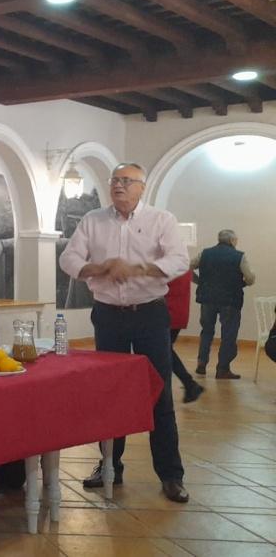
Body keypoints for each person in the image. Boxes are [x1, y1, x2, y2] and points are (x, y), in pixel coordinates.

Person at [59, 162, 190, 503]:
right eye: (114, 180)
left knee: (158, 392)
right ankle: (109, 467)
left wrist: (141, 268)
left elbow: (179, 260)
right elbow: (68, 259)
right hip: (108, 316)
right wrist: (98, 268)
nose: (118, 186)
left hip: (149, 313)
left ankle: (171, 475)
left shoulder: (161, 220)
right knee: (110, 393)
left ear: (141, 188)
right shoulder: (93, 220)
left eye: (126, 181)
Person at [191, 229, 256, 379]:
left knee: (206, 331)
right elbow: (250, 278)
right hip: (230, 300)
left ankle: (201, 364)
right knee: (229, 334)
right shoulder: (239, 256)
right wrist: (243, 284)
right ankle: (223, 369)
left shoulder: (205, 253)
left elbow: (187, 267)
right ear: (233, 241)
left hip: (207, 299)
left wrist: (199, 281)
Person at [165, 270, 204, 403]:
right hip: (178, 312)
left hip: (167, 313)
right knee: (165, 350)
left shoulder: (168, 265)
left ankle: (190, 384)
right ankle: (189, 385)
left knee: (164, 351)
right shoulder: (182, 264)